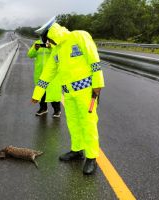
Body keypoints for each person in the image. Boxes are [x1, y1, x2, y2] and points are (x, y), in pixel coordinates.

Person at [31, 17, 105, 175]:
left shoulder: (79, 36)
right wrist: (37, 94)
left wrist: (98, 83)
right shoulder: (56, 51)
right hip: (68, 93)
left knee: (88, 123)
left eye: (48, 40)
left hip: (86, 92)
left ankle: (92, 157)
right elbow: (47, 74)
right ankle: (77, 150)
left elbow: (94, 59)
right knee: (73, 122)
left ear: (53, 34)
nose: (48, 44)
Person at [27, 39, 62, 117]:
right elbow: (30, 55)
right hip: (40, 73)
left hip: (52, 74)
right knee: (41, 92)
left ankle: (57, 110)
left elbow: (60, 54)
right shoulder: (37, 42)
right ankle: (43, 109)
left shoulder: (54, 42)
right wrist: (35, 49)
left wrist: (50, 47)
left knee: (53, 92)